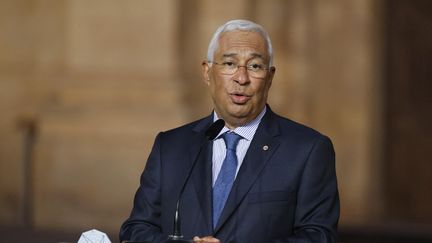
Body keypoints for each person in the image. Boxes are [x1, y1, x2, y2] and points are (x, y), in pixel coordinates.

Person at [120, 19, 339, 243]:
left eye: (254, 66)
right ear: (207, 72)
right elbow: (136, 229)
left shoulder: (307, 149)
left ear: (270, 77)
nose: (241, 78)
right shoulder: (170, 146)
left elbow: (319, 236)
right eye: (229, 64)